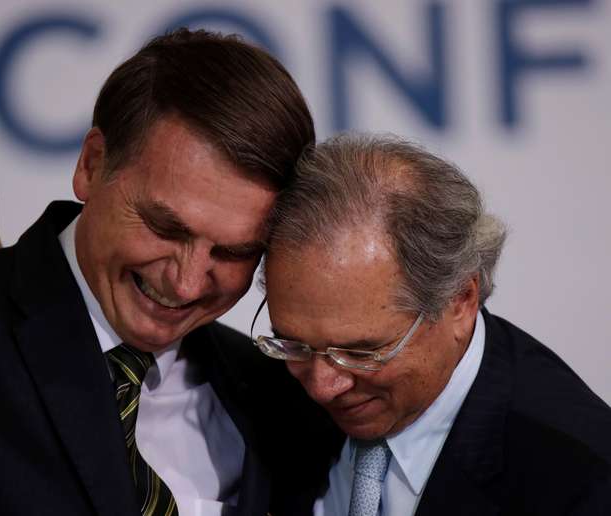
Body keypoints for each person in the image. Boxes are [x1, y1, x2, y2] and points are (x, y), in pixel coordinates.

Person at [0, 29, 337, 516]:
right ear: (92, 164)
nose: (186, 283)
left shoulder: (280, 398)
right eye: (165, 227)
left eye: (231, 252)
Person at [252, 134, 611, 515]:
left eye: (360, 351)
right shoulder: (256, 400)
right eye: (294, 345)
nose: (323, 387)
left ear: (460, 301)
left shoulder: (583, 479)